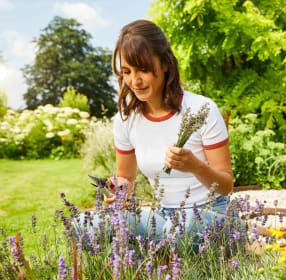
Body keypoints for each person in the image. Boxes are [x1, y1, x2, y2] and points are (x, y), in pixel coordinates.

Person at [76, 19, 234, 242]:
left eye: (143, 69)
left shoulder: (202, 109)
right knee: (84, 225)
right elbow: (126, 177)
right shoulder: (126, 118)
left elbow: (226, 186)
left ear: (165, 63)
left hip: (211, 214)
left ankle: (159, 254)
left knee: (180, 231)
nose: (134, 81)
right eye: (127, 71)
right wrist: (120, 190)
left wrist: (195, 166)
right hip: (163, 217)